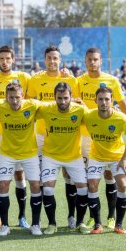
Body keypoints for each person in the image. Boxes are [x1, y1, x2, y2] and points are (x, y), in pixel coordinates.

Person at [76, 47, 126, 231]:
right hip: (86, 135)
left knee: (110, 176)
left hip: (109, 136)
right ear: (85, 61)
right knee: (90, 180)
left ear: (101, 61)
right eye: (89, 59)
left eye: (95, 59)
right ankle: (94, 219)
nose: (92, 62)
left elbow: (123, 105)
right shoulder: (79, 81)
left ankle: (111, 216)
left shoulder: (111, 80)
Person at [27, 45, 80, 229]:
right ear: (44, 59)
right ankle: (42, 219)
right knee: (43, 180)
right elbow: (29, 104)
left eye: (55, 58)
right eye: (49, 58)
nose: (52, 61)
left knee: (69, 177)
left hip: (67, 136)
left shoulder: (70, 80)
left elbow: (78, 103)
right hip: (42, 136)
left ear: (60, 60)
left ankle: (71, 217)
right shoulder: (35, 79)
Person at [0, 45, 32, 229]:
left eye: (8, 58)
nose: (5, 62)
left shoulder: (24, 77)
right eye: (1, 59)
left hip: (18, 135)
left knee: (19, 175)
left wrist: (64, 73)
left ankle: (22, 216)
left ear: (13, 59)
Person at [37, 82, 89, 235]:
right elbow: (26, 107)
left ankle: (80, 222)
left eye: (66, 98)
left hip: (74, 156)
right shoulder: (46, 109)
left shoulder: (80, 110)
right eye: (59, 98)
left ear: (71, 97)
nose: (62, 102)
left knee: (83, 188)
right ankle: (52, 223)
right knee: (47, 189)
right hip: (51, 156)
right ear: (54, 98)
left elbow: (96, 118)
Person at [0, 82, 43, 236]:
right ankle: (5, 226)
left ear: (23, 96)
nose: (14, 101)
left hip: (29, 153)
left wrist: (74, 101)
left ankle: (35, 224)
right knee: (3, 185)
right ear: (6, 98)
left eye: (17, 97)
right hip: (7, 154)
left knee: (35, 184)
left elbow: (52, 105)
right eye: (11, 97)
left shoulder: (32, 105)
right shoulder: (0, 106)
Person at [84, 87, 126, 234]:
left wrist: (124, 159)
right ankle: (98, 225)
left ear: (112, 101)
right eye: (100, 99)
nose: (104, 102)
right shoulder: (89, 116)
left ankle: (118, 224)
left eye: (107, 99)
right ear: (95, 101)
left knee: (123, 185)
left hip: (116, 157)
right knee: (92, 186)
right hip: (97, 156)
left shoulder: (121, 118)